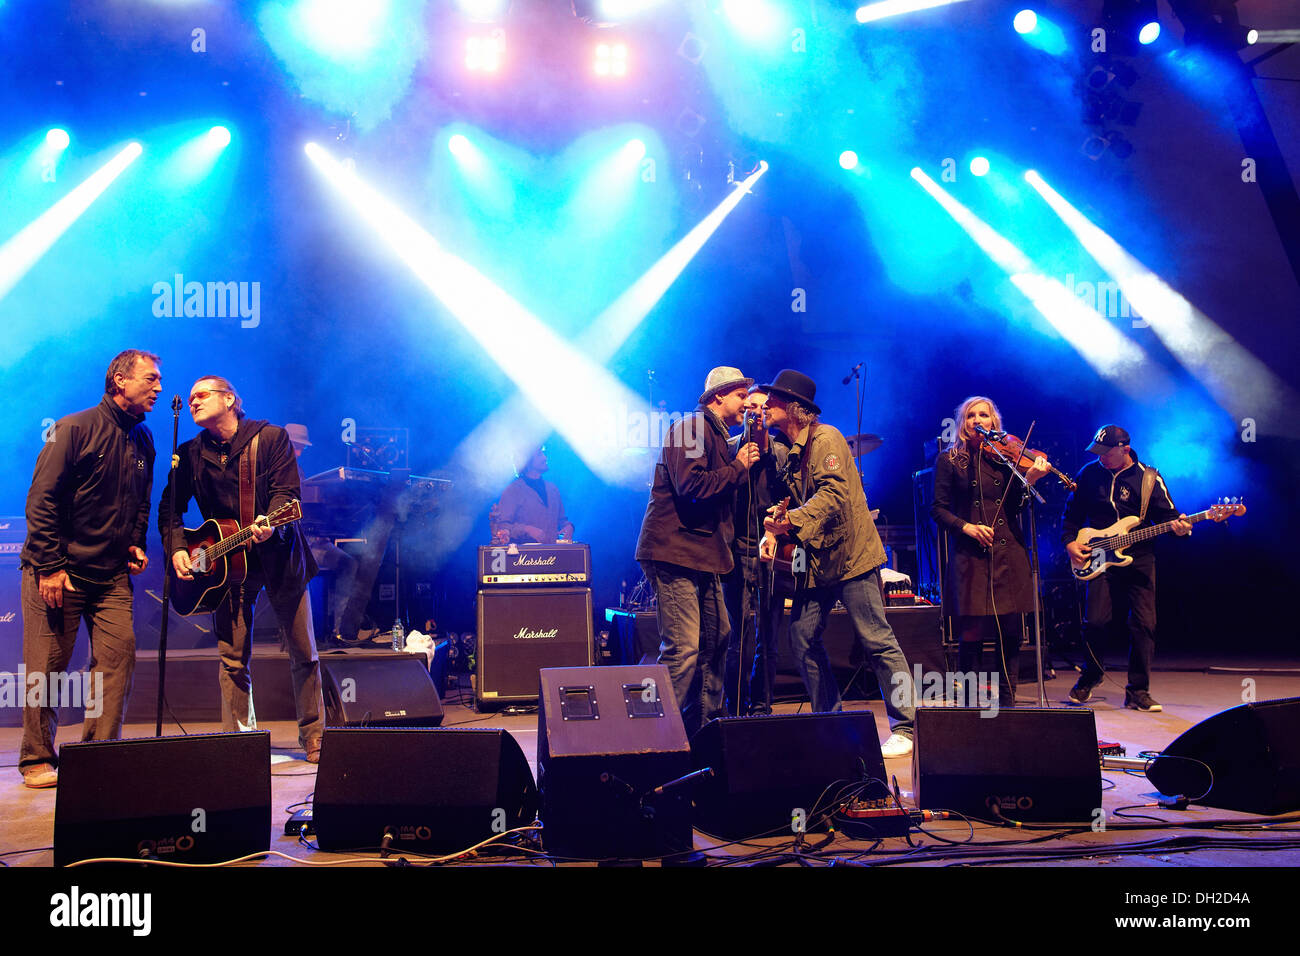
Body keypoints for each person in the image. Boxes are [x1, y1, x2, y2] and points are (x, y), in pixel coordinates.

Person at [159, 377, 325, 761]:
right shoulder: (189, 453)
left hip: (280, 557)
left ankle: (314, 736)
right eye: (192, 397)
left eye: (202, 395)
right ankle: (240, 741)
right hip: (225, 566)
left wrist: (270, 525)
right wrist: (179, 549)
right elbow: (170, 508)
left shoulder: (269, 439)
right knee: (232, 657)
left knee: (304, 652)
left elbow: (289, 496)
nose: (194, 401)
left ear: (229, 399)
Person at [18, 349, 160, 788]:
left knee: (118, 658)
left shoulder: (144, 440)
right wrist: (50, 567)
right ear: (120, 380)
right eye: (150, 379)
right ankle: (36, 758)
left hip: (111, 576)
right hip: (59, 570)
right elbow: (40, 500)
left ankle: (100, 753)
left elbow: (140, 503)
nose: (158, 388)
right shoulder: (74, 428)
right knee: (47, 667)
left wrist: (135, 542)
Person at [758, 369, 914, 758]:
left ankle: (908, 725)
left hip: (851, 557)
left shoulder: (825, 438)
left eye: (774, 401)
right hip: (818, 562)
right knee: (802, 635)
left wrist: (790, 521)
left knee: (876, 637)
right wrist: (778, 524)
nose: (768, 406)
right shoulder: (791, 449)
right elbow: (800, 501)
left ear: (795, 408)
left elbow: (834, 494)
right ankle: (829, 718)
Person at [635, 367, 760, 736]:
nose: (745, 403)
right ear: (718, 396)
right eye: (740, 395)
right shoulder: (691, 429)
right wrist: (738, 467)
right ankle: (655, 739)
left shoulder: (717, 437)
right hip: (674, 553)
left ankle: (702, 733)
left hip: (701, 555)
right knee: (684, 648)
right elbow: (692, 485)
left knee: (717, 638)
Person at [930, 397, 1050, 709]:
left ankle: (1007, 702)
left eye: (984, 414)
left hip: (1007, 550)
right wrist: (966, 527)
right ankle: (970, 704)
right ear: (963, 422)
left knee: (1009, 629)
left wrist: (1031, 480)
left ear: (994, 422)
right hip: (969, 554)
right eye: (971, 415)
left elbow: (1017, 507)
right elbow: (938, 510)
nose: (977, 420)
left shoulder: (1005, 457)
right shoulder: (949, 460)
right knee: (971, 631)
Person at [1062, 425, 1190, 713]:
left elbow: (1169, 518)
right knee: (1094, 621)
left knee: (1144, 624)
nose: (1102, 458)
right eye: (1098, 452)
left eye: (1107, 453)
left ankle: (1138, 691)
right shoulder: (1088, 473)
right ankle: (1091, 675)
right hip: (1097, 555)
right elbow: (1071, 515)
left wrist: (1180, 529)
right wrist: (1070, 542)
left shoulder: (1149, 479)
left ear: (1125, 450)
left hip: (1140, 558)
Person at [722, 387, 790, 717]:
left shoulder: (782, 452)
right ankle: (733, 710)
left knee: (770, 634)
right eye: (749, 407)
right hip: (737, 551)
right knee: (739, 635)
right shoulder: (730, 449)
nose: (755, 413)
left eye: (762, 408)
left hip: (771, 552)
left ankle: (762, 708)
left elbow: (793, 498)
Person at [495, 447, 574, 543]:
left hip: (554, 554)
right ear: (527, 460)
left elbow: (561, 521)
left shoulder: (552, 489)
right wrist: (526, 529)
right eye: (540, 454)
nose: (545, 458)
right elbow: (502, 526)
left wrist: (569, 527)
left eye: (544, 454)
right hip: (525, 556)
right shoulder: (513, 490)